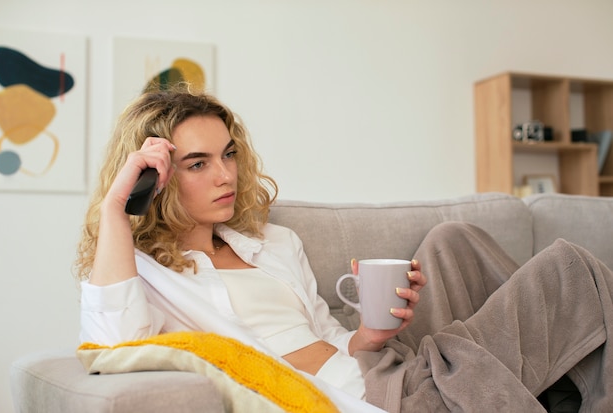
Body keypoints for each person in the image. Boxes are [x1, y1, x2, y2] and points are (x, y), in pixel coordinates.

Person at [77, 84, 613, 412]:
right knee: (573, 269)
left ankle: (544, 386)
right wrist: (115, 208)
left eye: (229, 154)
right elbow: (114, 346)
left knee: (453, 239)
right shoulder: (143, 273)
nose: (225, 175)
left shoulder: (276, 244)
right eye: (198, 163)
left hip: (389, 368)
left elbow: (333, 342)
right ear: (159, 176)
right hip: (379, 398)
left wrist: (371, 334)